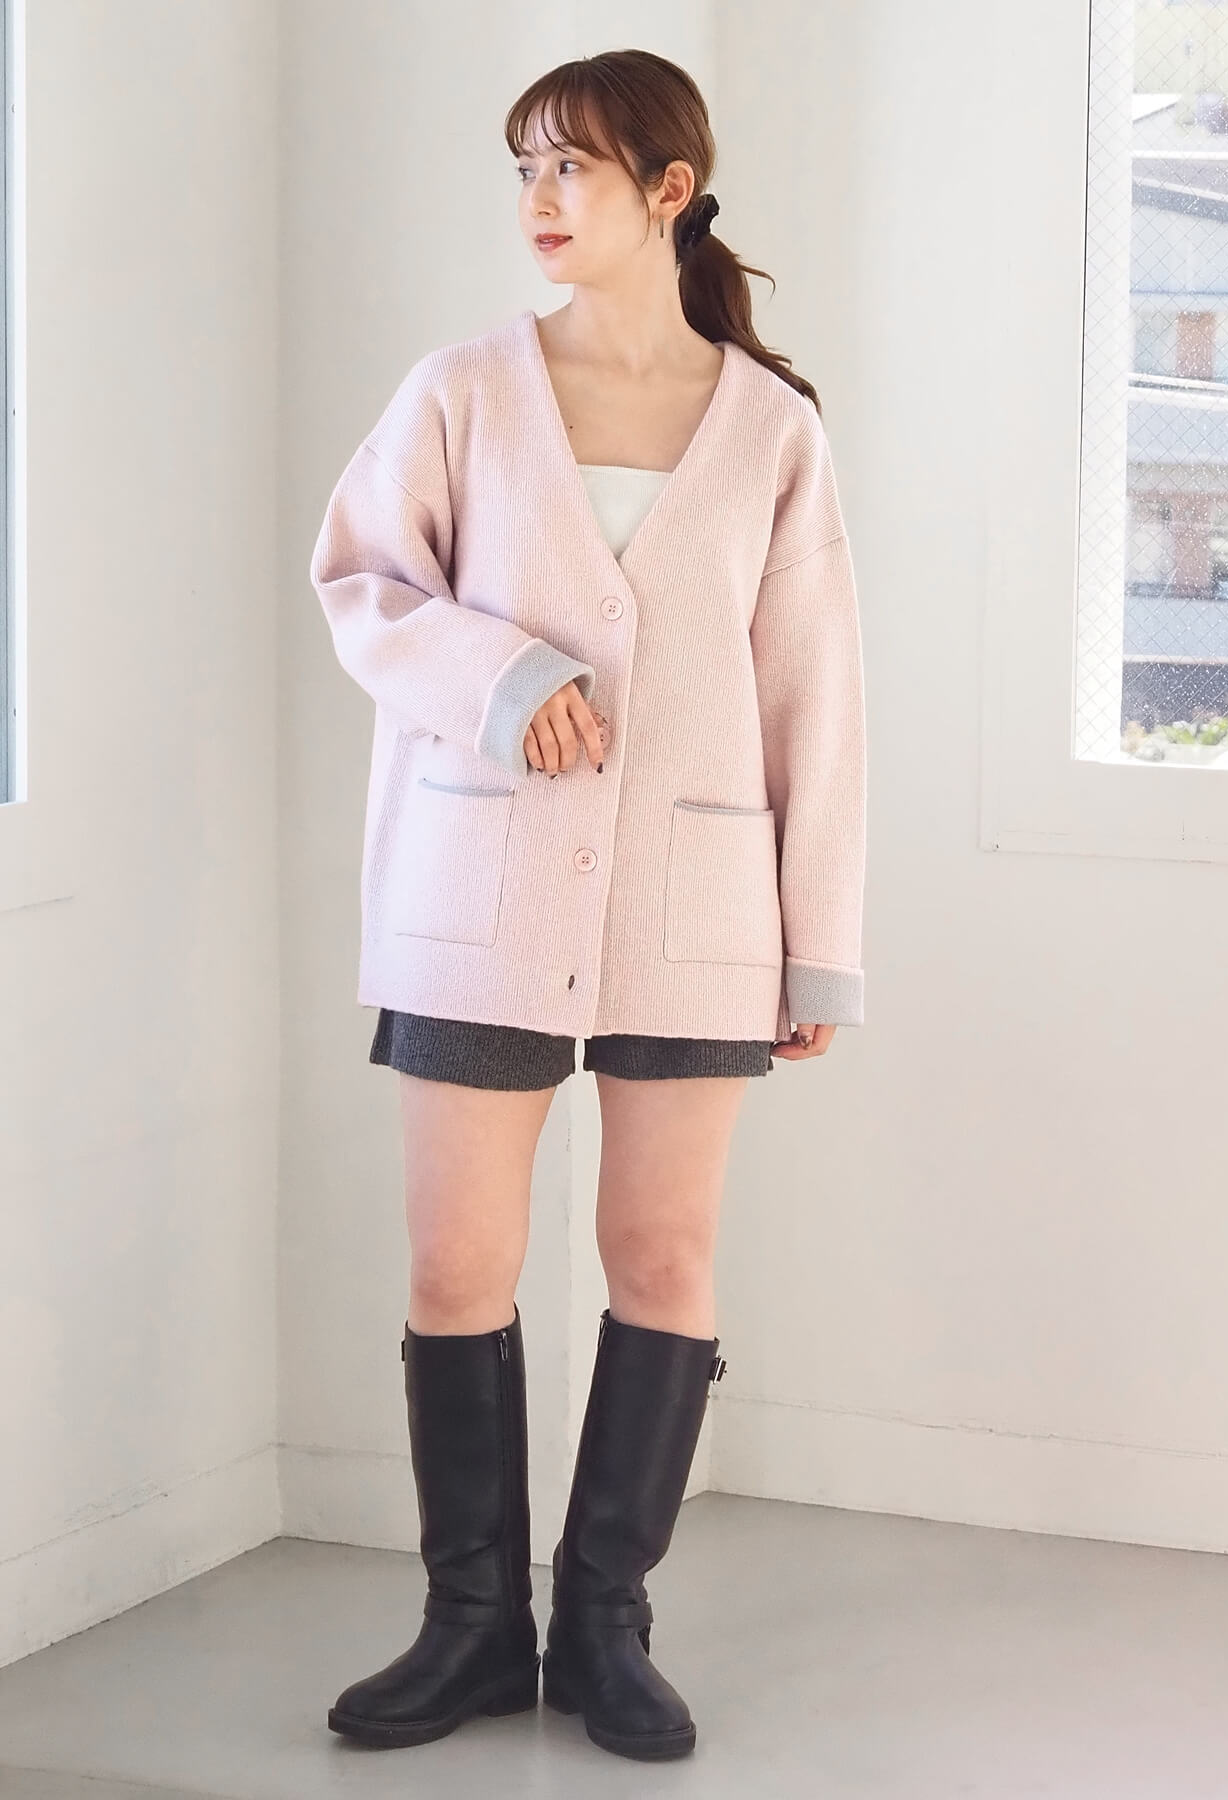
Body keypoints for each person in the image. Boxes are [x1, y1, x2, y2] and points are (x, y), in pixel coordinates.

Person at [309, 47, 866, 1762]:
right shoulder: (464, 392)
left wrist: (820, 946)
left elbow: (816, 696)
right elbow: (359, 583)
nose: (540, 202)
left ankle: (606, 1625)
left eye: (573, 169)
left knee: (664, 1255)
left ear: (667, 192)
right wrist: (496, 677)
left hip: (695, 905)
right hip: (476, 887)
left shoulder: (771, 430)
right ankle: (471, 1628)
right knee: (457, 1260)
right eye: (525, 171)